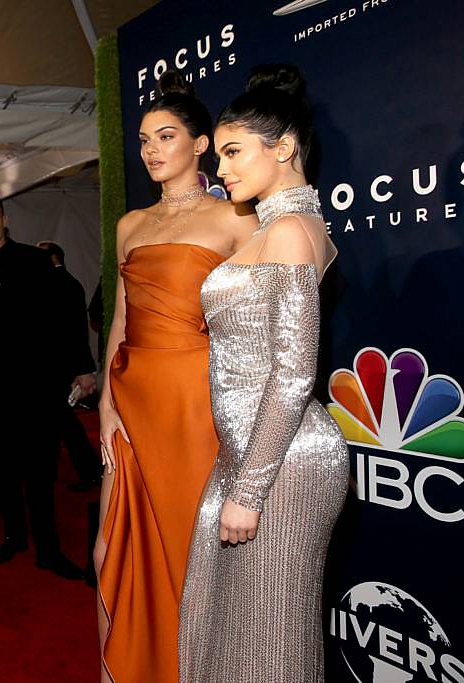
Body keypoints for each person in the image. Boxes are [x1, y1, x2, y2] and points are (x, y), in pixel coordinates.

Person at [178, 65, 348, 683]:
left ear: (284, 148)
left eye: (232, 152)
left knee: (270, 641)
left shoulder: (293, 232)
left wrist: (248, 492)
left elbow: (295, 371)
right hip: (248, 455)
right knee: (223, 625)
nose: (220, 169)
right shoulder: (273, 229)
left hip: (285, 464)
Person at [94, 71, 258, 683]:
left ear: (201, 143)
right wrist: (107, 399)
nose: (152, 150)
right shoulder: (130, 225)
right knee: (110, 548)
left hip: (197, 404)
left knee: (192, 558)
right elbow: (121, 318)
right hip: (130, 399)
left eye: (166, 136)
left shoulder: (238, 221)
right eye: (142, 140)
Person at [0, 193, 93, 580]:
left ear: (4, 220)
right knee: (3, 469)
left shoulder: (35, 261)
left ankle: (49, 549)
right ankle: (14, 536)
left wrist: (81, 367)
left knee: (41, 470)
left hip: (37, 386)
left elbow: (64, 319)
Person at [36, 241, 102, 491]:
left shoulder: (56, 283)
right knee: (56, 420)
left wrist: (83, 369)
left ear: (52, 258)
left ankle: (90, 471)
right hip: (61, 364)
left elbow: (75, 331)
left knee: (62, 420)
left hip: (56, 365)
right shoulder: (69, 282)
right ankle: (60, 470)